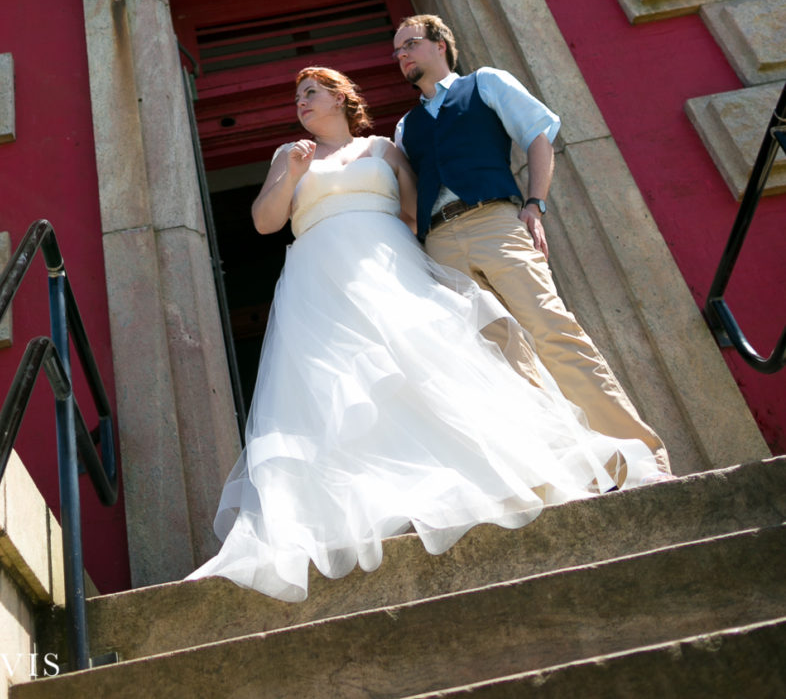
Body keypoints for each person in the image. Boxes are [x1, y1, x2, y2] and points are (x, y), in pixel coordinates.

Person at [187, 65, 660, 601]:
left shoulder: (385, 148)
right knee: (343, 392)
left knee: (429, 368)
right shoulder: (289, 155)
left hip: (390, 262)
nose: (301, 102)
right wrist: (293, 174)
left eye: (311, 92)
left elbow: (417, 212)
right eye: (297, 96)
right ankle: (364, 512)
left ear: (341, 98)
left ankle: (484, 479)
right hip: (321, 277)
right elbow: (265, 222)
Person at [392, 13, 670, 476]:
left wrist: (535, 204)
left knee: (552, 330)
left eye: (410, 44)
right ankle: (574, 471)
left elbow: (538, 138)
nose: (401, 55)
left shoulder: (486, 83)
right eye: (396, 51)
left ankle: (642, 460)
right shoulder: (405, 128)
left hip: (495, 223)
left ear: (441, 44)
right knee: (499, 360)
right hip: (439, 243)